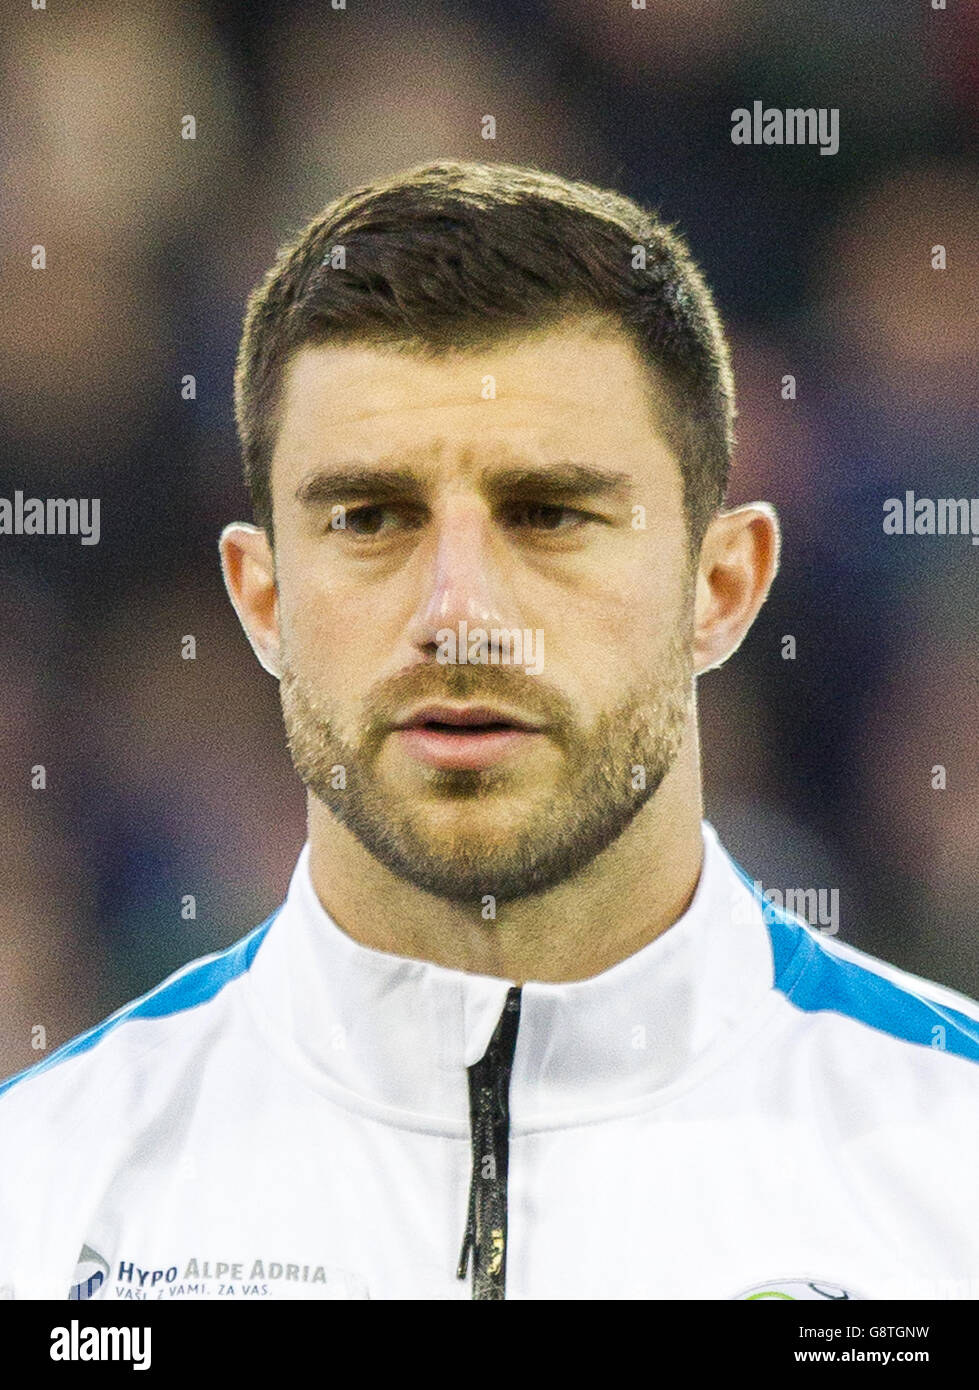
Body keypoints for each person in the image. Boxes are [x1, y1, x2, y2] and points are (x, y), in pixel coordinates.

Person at [2, 161, 978, 1302]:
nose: (458, 615)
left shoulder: (948, 1159)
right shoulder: (40, 1195)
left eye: (549, 513)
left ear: (721, 585)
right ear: (261, 598)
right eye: (370, 517)